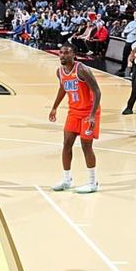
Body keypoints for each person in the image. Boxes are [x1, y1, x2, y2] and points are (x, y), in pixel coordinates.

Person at [49, 43, 101, 193]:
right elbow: (62, 88)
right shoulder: (60, 72)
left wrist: (92, 115)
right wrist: (54, 107)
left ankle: (93, 182)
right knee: (66, 144)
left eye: (66, 53)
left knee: (86, 146)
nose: (63, 56)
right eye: (61, 53)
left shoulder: (82, 70)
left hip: (89, 112)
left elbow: (97, 91)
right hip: (73, 111)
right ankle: (67, 180)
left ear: (74, 55)